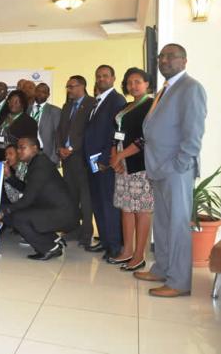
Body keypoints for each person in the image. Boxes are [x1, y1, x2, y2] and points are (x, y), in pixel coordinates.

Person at [136, 43, 207, 298]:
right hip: (159, 168)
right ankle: (163, 269)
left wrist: (178, 165)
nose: (164, 60)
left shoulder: (191, 88)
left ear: (184, 61)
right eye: (161, 56)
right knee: (164, 224)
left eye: (170, 56)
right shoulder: (165, 89)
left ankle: (179, 282)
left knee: (177, 225)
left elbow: (193, 134)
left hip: (176, 170)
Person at [0, 137, 77, 260]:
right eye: (18, 148)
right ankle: (54, 239)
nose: (19, 151)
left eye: (23, 148)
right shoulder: (37, 162)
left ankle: (49, 248)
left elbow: (27, 199)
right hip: (56, 210)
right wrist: (10, 177)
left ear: (34, 148)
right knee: (14, 213)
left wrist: (4, 211)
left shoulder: (40, 166)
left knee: (18, 217)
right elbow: (29, 189)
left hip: (62, 214)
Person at [108, 67, 155, 271]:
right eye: (129, 82)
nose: (133, 86)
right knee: (126, 209)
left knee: (141, 211)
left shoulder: (152, 106)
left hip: (140, 164)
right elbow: (116, 134)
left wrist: (121, 155)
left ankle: (139, 255)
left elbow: (146, 138)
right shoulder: (126, 107)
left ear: (147, 84)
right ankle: (127, 251)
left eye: (138, 81)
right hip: (121, 164)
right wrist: (114, 157)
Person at [84, 65, 127, 259]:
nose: (101, 79)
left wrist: (104, 158)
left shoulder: (116, 100)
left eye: (105, 76)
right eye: (98, 76)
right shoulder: (97, 101)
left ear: (113, 78)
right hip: (91, 163)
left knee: (109, 204)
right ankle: (104, 240)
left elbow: (114, 132)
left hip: (104, 162)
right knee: (98, 203)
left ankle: (115, 246)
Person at [56, 75, 96, 248]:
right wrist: (60, 148)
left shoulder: (92, 104)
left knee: (85, 197)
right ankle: (73, 229)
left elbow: (89, 132)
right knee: (71, 196)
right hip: (66, 159)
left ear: (82, 86)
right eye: (67, 86)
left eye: (71, 86)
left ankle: (87, 233)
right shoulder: (67, 106)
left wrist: (72, 149)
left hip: (81, 157)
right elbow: (60, 130)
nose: (69, 90)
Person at [0, 90, 37, 161]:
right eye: (11, 101)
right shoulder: (2, 118)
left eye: (16, 101)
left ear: (23, 104)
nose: (13, 104)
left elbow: (30, 144)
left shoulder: (29, 122)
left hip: (17, 158)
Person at [29, 83, 61, 165]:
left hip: (47, 154)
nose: (40, 94)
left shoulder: (55, 111)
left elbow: (58, 135)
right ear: (34, 92)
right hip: (28, 153)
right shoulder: (27, 109)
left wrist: (54, 158)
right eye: (38, 91)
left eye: (43, 92)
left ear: (48, 95)